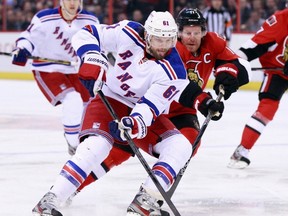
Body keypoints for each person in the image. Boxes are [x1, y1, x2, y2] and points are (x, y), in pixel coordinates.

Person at [33, 8, 250, 215]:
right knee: (96, 147)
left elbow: (151, 105)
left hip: (140, 110)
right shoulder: (127, 31)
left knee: (182, 146)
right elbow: (88, 33)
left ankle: (145, 200)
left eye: (168, 40)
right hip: (109, 99)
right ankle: (52, 198)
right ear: (147, 35)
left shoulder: (174, 70)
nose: (163, 46)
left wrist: (134, 124)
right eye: (158, 39)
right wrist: (90, 56)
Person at [11, 0, 99, 155]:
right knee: (72, 99)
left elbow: (99, 43)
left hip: (76, 70)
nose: (72, 3)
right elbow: (28, 38)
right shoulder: (44, 18)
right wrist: (22, 50)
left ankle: (83, 138)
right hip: (48, 69)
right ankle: (74, 144)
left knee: (88, 106)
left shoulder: (90, 20)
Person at [228, 6, 288, 169]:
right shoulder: (281, 20)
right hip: (277, 72)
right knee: (267, 108)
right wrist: (234, 64)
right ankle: (242, 151)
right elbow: (254, 46)